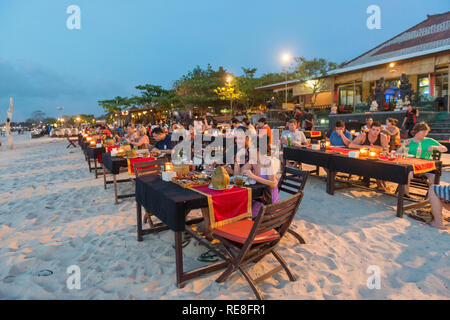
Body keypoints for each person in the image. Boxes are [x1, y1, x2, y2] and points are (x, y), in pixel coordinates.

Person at [398, 122, 447, 198]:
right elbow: (397, 153)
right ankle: (406, 195)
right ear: (416, 132)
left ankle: (432, 197)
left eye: (426, 132)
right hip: (412, 166)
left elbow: (444, 149)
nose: (425, 134)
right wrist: (403, 145)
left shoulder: (430, 141)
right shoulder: (409, 141)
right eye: (423, 132)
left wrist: (435, 147)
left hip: (426, 167)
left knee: (434, 177)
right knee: (405, 173)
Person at [237, 145, 280, 219]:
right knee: (238, 207)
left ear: (257, 150)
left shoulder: (268, 162)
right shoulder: (253, 161)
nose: (248, 151)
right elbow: (240, 172)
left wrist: (254, 177)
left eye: (250, 149)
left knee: (243, 213)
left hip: (266, 198)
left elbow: (273, 184)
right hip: (256, 196)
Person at [349, 121, 389, 191]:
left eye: (377, 130)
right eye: (373, 129)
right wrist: (364, 146)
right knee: (375, 165)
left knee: (380, 164)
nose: (375, 132)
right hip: (363, 159)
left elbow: (386, 150)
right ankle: (380, 184)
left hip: (377, 159)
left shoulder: (382, 137)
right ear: (370, 129)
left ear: (380, 130)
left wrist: (377, 148)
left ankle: (381, 183)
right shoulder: (364, 135)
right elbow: (351, 145)